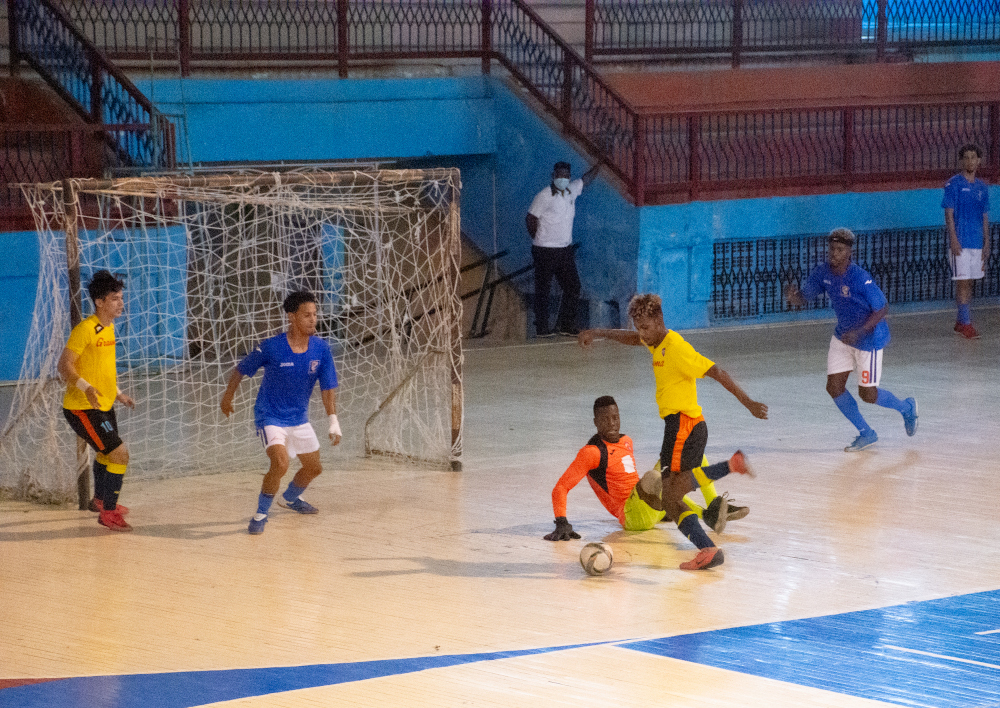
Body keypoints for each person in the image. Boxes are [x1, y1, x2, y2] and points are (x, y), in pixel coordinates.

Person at [577, 294, 768, 570]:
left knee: (671, 496)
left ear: (660, 321)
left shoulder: (676, 347)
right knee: (672, 496)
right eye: (639, 327)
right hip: (679, 427)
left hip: (684, 426)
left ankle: (726, 479)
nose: (642, 334)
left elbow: (716, 371)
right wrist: (597, 332)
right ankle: (710, 543)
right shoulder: (655, 342)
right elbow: (633, 339)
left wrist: (748, 402)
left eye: (645, 327)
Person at [543, 396, 750, 545]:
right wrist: (561, 522)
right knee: (653, 477)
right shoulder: (592, 452)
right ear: (596, 423)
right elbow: (561, 487)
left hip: (647, 503)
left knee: (691, 453)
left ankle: (713, 504)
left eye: (615, 417)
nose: (612, 424)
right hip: (632, 517)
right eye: (605, 420)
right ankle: (705, 515)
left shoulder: (626, 441)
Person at [785, 227, 918, 452]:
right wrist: (793, 297)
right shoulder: (822, 273)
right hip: (843, 337)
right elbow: (804, 297)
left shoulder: (860, 278)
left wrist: (860, 331)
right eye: (831, 249)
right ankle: (866, 433)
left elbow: (882, 308)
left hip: (869, 341)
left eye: (839, 250)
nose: (834, 253)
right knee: (834, 387)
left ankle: (906, 407)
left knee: (868, 395)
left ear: (849, 253)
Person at [220, 290, 342, 535]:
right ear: (292, 317)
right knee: (280, 463)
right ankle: (260, 514)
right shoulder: (271, 347)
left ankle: (290, 498)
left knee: (314, 468)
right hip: (270, 416)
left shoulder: (321, 349)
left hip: (299, 418)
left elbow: (328, 387)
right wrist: (227, 398)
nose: (313, 319)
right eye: (307, 315)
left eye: (315, 314)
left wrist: (333, 420)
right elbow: (240, 369)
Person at [57, 270, 136, 532]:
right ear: (99, 302)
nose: (121, 303)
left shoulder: (109, 328)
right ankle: (108, 514)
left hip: (103, 403)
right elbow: (64, 366)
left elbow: (101, 368)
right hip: (82, 407)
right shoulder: (85, 330)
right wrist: (86, 387)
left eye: (121, 298)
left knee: (106, 453)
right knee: (119, 454)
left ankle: (100, 501)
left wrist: (118, 393)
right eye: (115, 299)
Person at [526, 160, 600, 337]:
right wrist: (539, 238)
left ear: (569, 177)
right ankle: (542, 328)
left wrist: (601, 163)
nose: (563, 178)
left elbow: (585, 180)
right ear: (553, 176)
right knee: (543, 289)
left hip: (564, 250)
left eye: (566, 176)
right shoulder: (544, 195)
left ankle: (566, 325)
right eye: (559, 175)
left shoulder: (571, 191)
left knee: (573, 286)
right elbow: (530, 218)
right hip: (545, 250)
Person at [943, 144, 991, 339]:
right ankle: (967, 324)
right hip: (961, 243)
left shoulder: (982, 187)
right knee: (962, 283)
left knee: (969, 282)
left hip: (977, 242)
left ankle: (960, 321)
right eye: (967, 157)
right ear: (961, 161)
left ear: (979, 161)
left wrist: (987, 241)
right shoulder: (953, 184)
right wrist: (953, 239)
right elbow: (949, 213)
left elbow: (984, 216)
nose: (970, 161)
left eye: (973, 157)